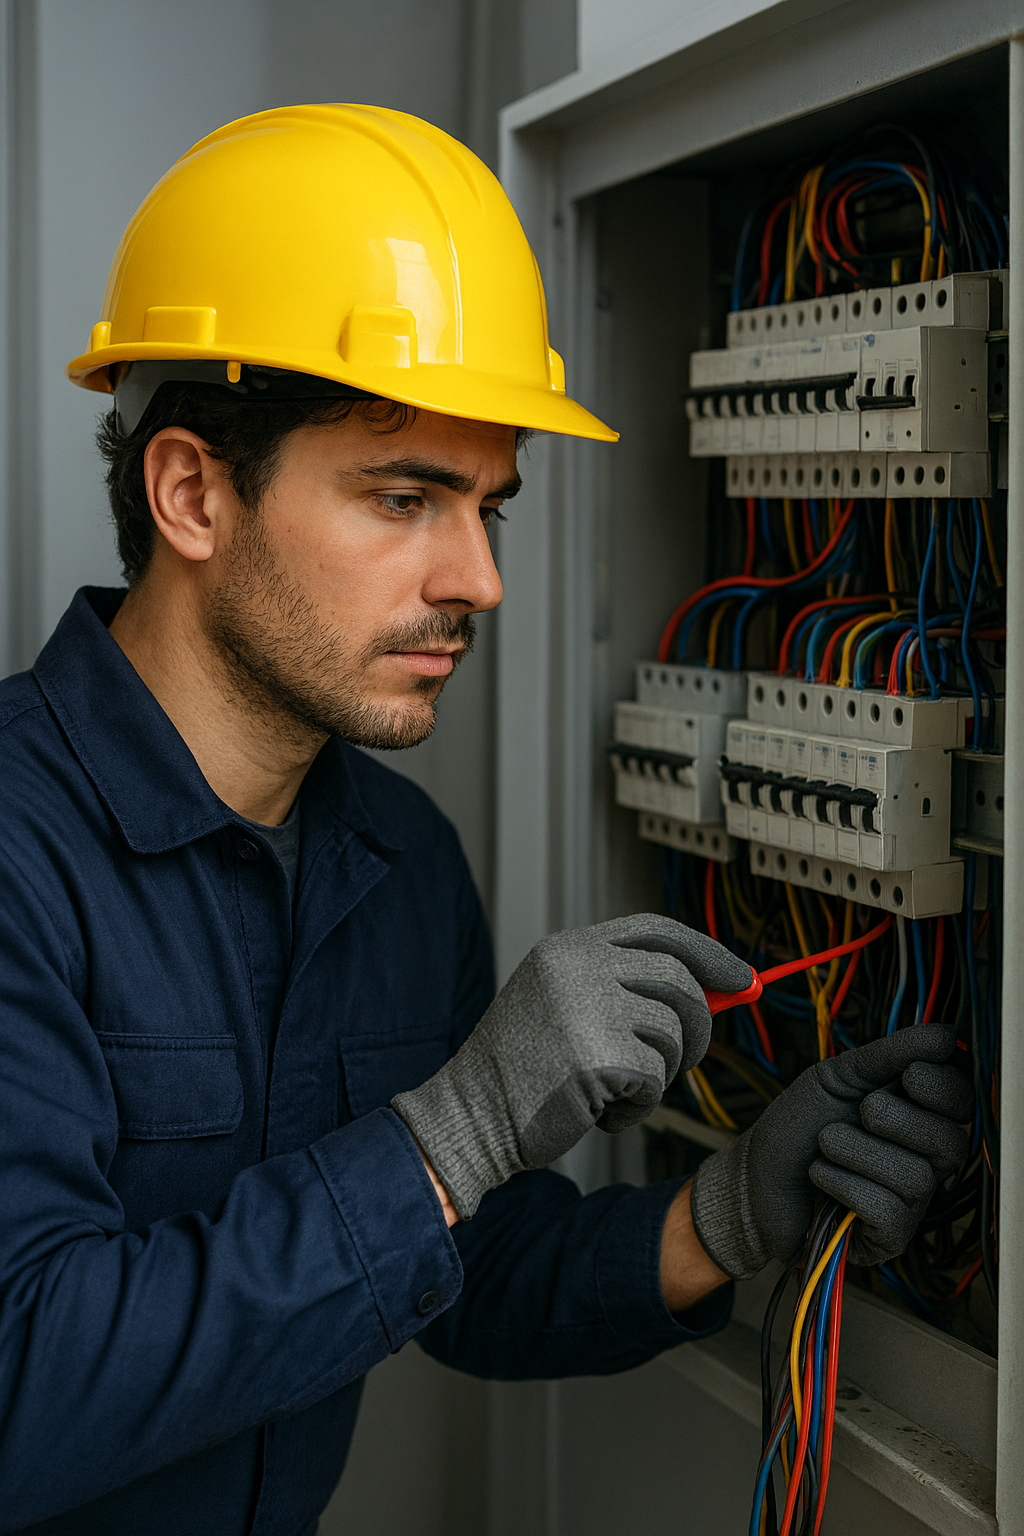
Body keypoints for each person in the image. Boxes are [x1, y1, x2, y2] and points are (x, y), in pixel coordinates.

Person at [0, 105, 970, 1536]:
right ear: (193, 492)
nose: (478, 580)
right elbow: (22, 1384)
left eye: (489, 510)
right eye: (405, 498)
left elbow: (458, 1268)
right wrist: (449, 1134)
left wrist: (720, 1222)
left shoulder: (396, 866)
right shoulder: (19, 852)